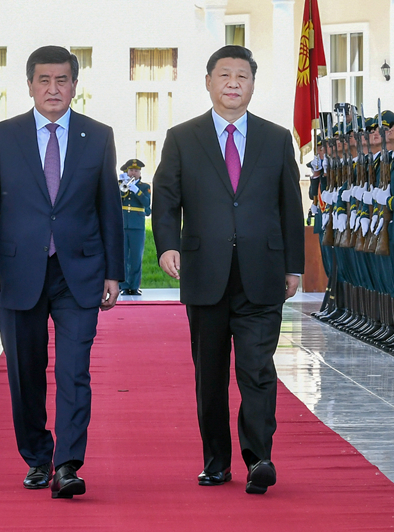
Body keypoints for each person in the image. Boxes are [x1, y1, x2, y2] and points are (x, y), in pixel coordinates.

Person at [0, 45, 124, 499]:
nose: (53, 89)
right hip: (17, 272)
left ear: (74, 85)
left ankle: (68, 464)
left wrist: (114, 271)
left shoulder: (98, 136)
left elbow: (108, 207)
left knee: (75, 371)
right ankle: (38, 457)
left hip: (80, 271)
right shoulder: (3, 136)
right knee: (26, 372)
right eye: (44, 80)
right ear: (30, 85)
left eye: (62, 80)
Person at [152, 45, 304, 495]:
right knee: (211, 374)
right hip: (205, 272)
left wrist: (294, 266)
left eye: (242, 75)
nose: (233, 83)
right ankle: (216, 461)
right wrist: (167, 246)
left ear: (253, 84)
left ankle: (259, 459)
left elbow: (290, 206)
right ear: (208, 82)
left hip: (263, 273)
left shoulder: (276, 138)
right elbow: (166, 199)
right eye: (224, 75)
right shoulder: (183, 137)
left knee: (257, 369)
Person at [118, 158, 151, 295]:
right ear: (127, 171)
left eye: (136, 171)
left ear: (140, 172)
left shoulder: (144, 187)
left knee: (136, 257)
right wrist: (123, 184)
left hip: (137, 225)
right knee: (123, 257)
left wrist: (136, 190)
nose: (133, 173)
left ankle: (134, 286)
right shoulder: (121, 184)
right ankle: (124, 286)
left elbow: (146, 202)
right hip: (122, 224)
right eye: (131, 170)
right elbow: (116, 199)